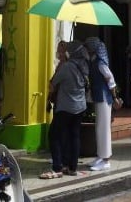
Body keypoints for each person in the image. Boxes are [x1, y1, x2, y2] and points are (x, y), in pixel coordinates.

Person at [40, 41, 89, 179]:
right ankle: (72, 167)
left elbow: (52, 84)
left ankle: (57, 168)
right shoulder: (83, 65)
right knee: (74, 136)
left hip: (66, 107)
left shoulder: (67, 67)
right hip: (80, 106)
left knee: (54, 135)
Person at [85, 36, 118, 172]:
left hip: (104, 98)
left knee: (104, 129)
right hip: (98, 97)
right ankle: (100, 156)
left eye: (87, 47)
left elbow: (110, 81)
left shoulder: (100, 63)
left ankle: (106, 160)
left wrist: (115, 97)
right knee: (99, 128)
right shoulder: (93, 61)